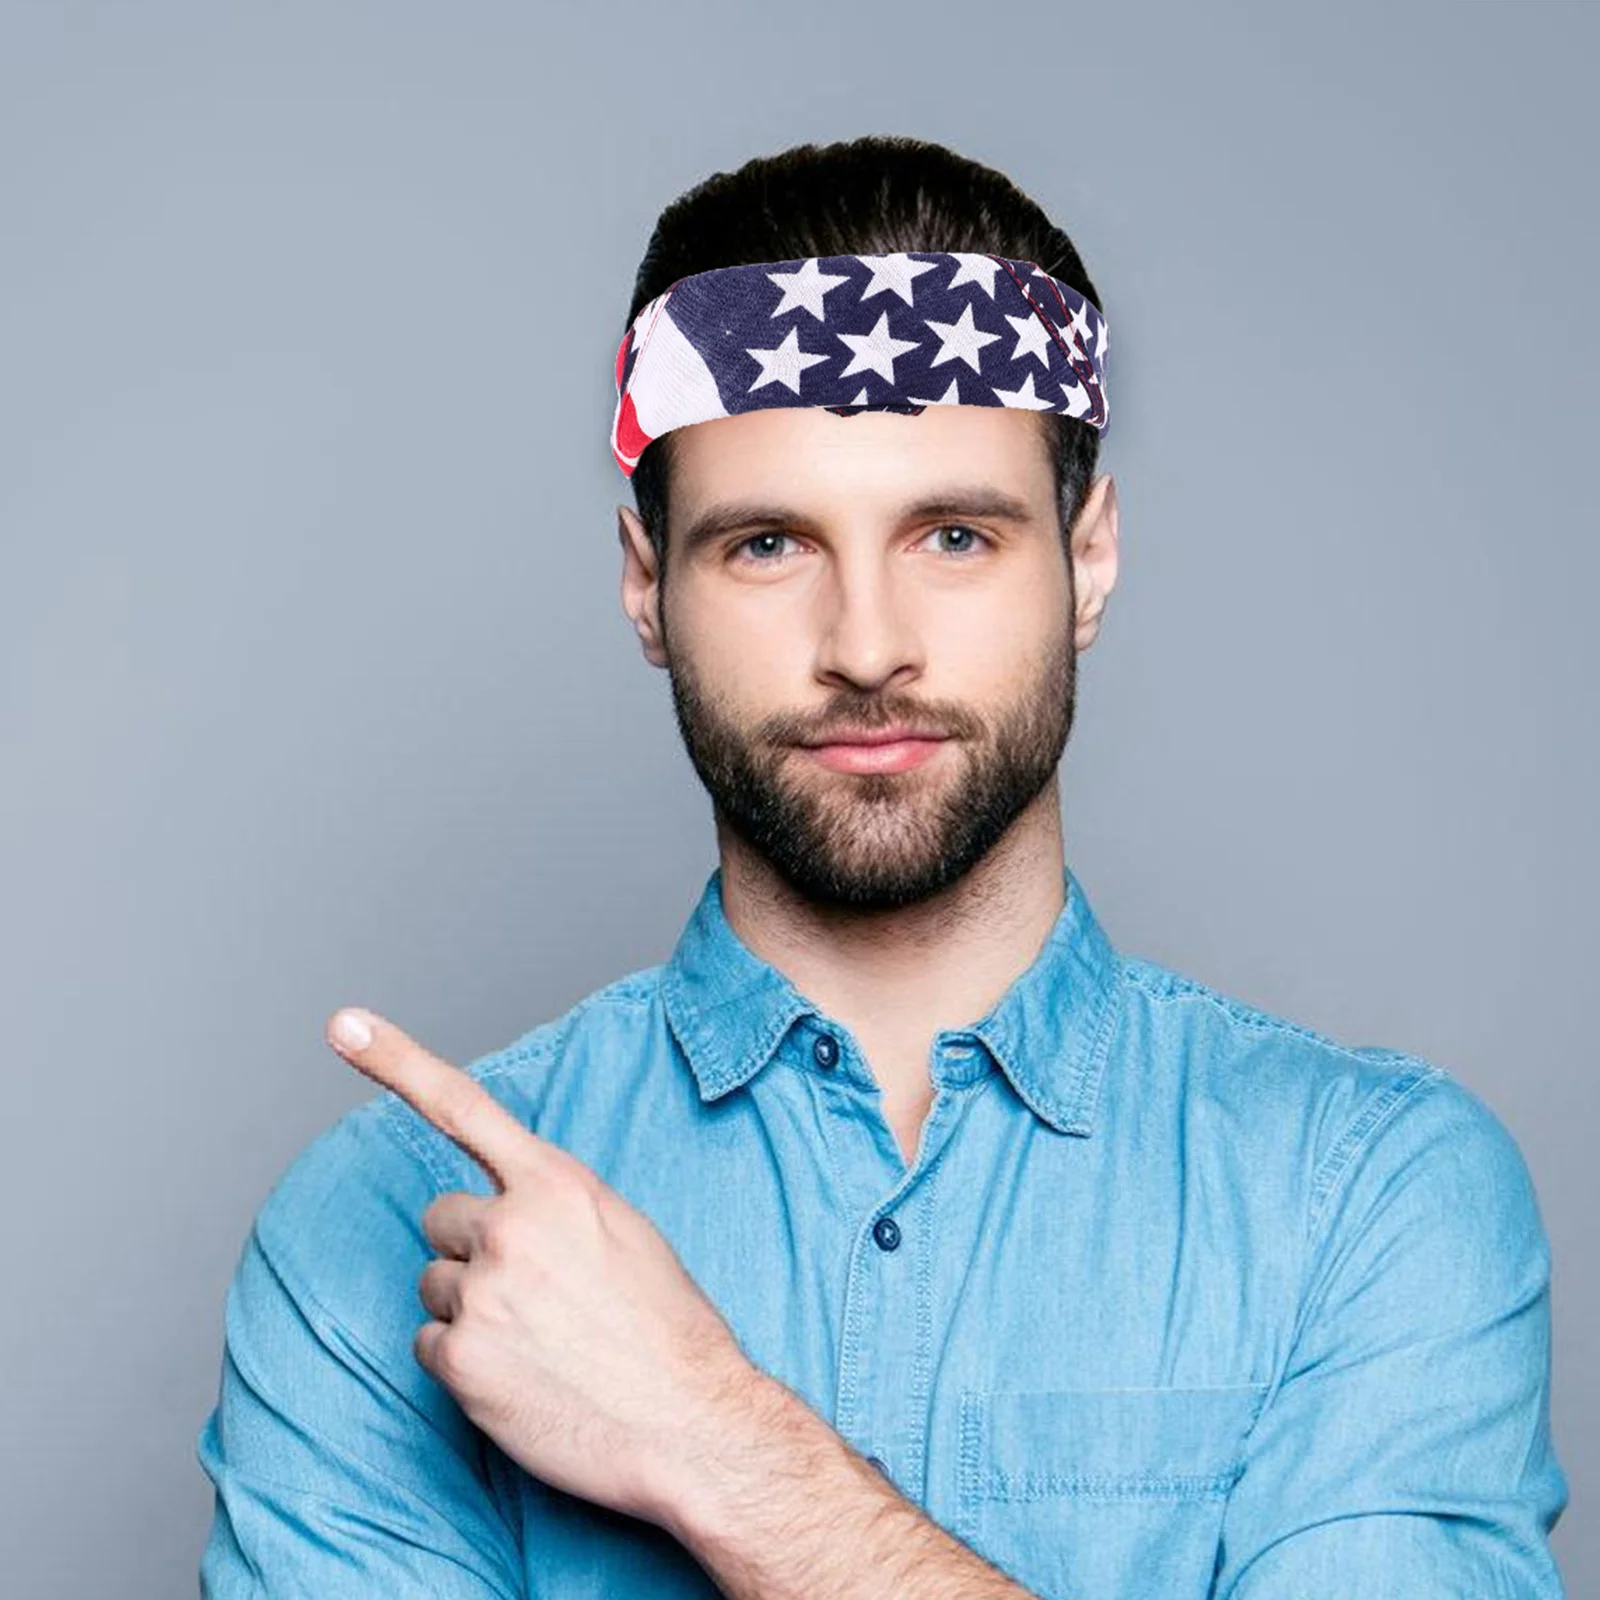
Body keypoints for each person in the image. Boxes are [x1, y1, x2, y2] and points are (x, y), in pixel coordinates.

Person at [195, 135, 1569, 1598]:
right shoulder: (380, 1228)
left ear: (1087, 559)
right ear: (645, 584)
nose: (866, 645)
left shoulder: (1367, 1198)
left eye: (956, 535)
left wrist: (713, 1443)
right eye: (770, 543)